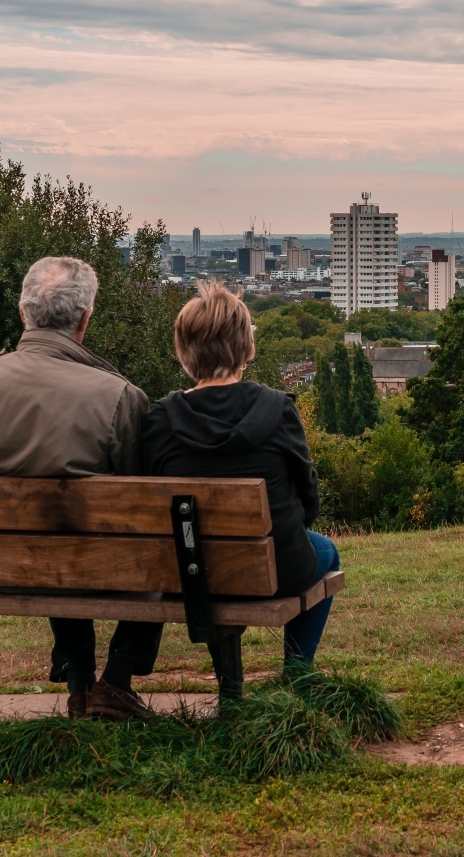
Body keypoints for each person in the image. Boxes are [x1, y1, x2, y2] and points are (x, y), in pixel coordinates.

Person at [0, 255, 158, 719]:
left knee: (48, 537)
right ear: (86, 318)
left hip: (6, 566)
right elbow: (137, 497)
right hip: (102, 567)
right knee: (146, 547)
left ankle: (78, 682)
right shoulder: (121, 396)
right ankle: (117, 679)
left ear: (22, 312)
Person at [141, 279, 339, 670]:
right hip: (277, 566)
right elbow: (307, 497)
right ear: (247, 347)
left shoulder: (160, 418)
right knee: (327, 550)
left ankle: (230, 688)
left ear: (183, 352)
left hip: (189, 574)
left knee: (206, 556)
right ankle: (298, 673)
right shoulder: (277, 408)